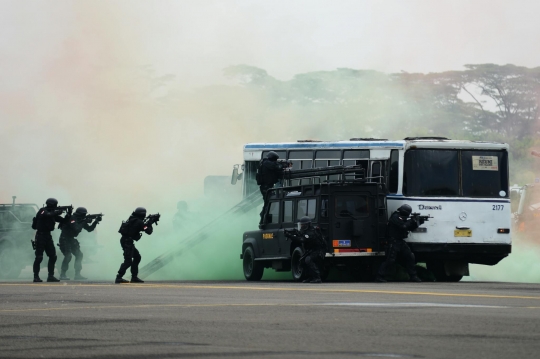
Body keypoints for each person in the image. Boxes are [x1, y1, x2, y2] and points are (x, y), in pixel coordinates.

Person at [375, 204, 423, 283]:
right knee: (390, 260)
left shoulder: (402, 218)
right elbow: (403, 226)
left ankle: (413, 276)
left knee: (410, 257)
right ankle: (379, 276)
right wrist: (411, 220)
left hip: (400, 241)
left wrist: (417, 222)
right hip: (393, 241)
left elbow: (409, 228)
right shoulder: (395, 217)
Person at [58, 207, 101, 280]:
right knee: (68, 256)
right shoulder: (72, 218)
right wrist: (84, 221)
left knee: (79, 255)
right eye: (83, 215)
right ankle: (62, 274)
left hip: (71, 239)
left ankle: (77, 274)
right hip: (64, 239)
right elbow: (76, 228)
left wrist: (96, 221)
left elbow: (89, 229)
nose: (84, 216)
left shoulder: (81, 220)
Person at [31, 198, 67, 283]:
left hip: (48, 236)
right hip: (40, 236)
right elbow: (48, 215)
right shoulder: (42, 211)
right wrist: (58, 211)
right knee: (39, 257)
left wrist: (68, 214)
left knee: (53, 256)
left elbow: (63, 220)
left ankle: (50, 276)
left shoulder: (52, 214)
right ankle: (36, 277)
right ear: (51, 205)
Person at [115, 207, 154, 284]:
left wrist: (147, 223)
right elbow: (148, 231)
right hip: (127, 242)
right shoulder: (139, 222)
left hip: (126, 241)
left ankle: (134, 277)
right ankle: (119, 277)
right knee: (128, 261)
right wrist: (150, 223)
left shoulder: (132, 219)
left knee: (137, 257)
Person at [287, 216, 326, 284]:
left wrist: (291, 236)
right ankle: (310, 277)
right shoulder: (306, 231)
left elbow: (302, 240)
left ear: (307, 225)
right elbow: (301, 235)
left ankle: (317, 277)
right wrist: (293, 233)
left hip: (318, 250)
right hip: (311, 250)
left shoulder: (311, 232)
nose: (301, 227)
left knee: (308, 260)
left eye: (303, 225)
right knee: (302, 261)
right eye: (301, 225)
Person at [257, 151, 290, 223]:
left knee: (270, 202)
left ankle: (264, 216)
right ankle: (264, 216)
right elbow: (276, 166)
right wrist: (283, 165)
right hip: (266, 187)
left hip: (267, 186)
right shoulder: (266, 163)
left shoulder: (265, 163)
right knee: (269, 202)